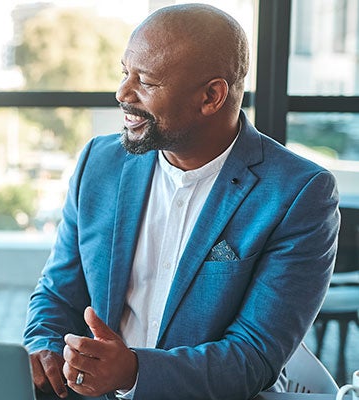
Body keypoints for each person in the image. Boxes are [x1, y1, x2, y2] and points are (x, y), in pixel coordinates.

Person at [24, 4, 339, 400]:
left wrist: (133, 372)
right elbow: (58, 292)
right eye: (125, 73)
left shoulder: (299, 193)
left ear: (211, 96)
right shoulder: (98, 163)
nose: (123, 93)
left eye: (147, 82)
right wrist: (45, 345)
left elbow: (254, 355)